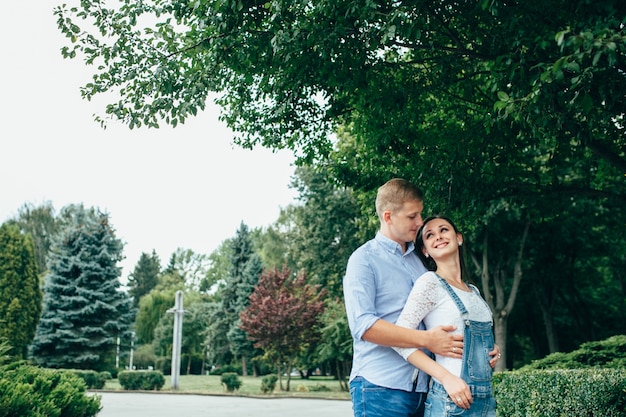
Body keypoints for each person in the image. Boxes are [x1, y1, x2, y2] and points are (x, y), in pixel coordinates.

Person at [343, 179, 465, 417]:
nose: (420, 222)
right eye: (412, 217)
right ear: (388, 216)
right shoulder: (363, 259)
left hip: (425, 391)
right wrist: (426, 340)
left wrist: (485, 348)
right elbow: (363, 326)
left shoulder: (421, 261)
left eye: (420, 214)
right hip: (380, 388)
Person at [393, 215, 500, 417]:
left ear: (458, 238)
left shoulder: (474, 291)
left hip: (485, 401)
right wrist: (446, 378)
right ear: (425, 250)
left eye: (444, 230)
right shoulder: (429, 283)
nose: (438, 237)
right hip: (451, 402)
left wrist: (493, 350)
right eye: (430, 235)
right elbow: (399, 341)